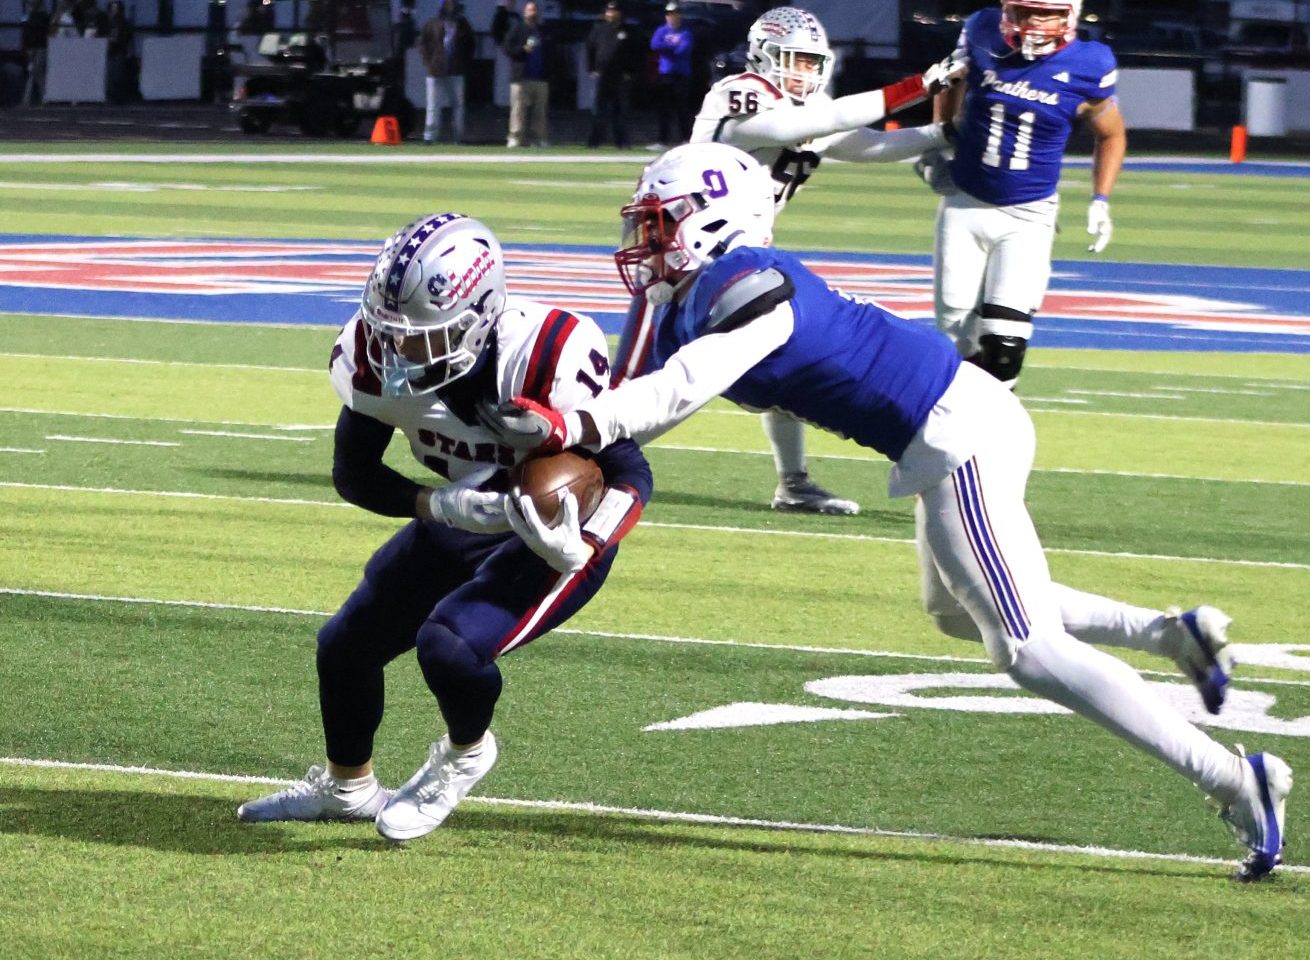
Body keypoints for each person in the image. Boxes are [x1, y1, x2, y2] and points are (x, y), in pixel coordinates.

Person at [483, 143, 1290, 882]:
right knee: (957, 611)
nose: (646, 241)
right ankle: (1169, 635)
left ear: (714, 219)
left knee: (1025, 648)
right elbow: (636, 398)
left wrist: (572, 427)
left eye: (661, 223)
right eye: (645, 224)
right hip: (942, 430)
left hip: (958, 429)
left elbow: (681, 388)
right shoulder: (685, 300)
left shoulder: (748, 278)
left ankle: (1234, 779)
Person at [236, 213, 651, 840]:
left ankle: (465, 755)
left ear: (479, 317)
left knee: (449, 645)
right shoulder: (374, 358)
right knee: (345, 647)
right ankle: (348, 789)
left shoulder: (544, 358)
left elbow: (630, 470)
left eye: (420, 337)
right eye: (387, 331)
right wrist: (438, 505)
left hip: (556, 532)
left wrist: (585, 542)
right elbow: (354, 473)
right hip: (468, 514)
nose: (396, 350)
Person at [613, 7, 966, 516]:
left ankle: (793, 481)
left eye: (809, 62)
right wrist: (919, 86)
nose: (802, 72)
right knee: (634, 380)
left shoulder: (811, 108)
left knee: (781, 356)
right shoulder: (739, 93)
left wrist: (941, 134)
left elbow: (867, 143)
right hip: (685, 253)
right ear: (764, 55)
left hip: (741, 254)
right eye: (792, 59)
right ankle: (579, 459)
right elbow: (803, 124)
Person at [921, 0, 1126, 389]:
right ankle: (963, 417)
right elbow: (950, 81)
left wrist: (1101, 199)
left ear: (1068, 15)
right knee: (955, 339)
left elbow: (1112, 134)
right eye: (1025, 10)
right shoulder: (982, 30)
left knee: (1005, 343)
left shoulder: (1089, 63)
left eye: (1045, 12)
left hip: (1028, 214)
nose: (1033, 21)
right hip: (965, 203)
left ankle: (997, 421)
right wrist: (939, 141)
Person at [419, 0, 475, 144]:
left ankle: (458, 138)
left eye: (453, 4)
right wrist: (428, 62)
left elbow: (471, 44)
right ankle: (430, 137)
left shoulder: (463, 24)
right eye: (448, 4)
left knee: (458, 106)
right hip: (435, 70)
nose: (451, 7)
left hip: (456, 70)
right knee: (433, 105)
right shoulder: (433, 23)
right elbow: (423, 43)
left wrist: (464, 62)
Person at [502, 0, 550, 147]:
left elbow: (550, 50)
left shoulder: (542, 30)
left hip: (540, 77)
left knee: (539, 112)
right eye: (529, 10)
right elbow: (507, 48)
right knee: (518, 110)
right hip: (521, 77)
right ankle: (515, 138)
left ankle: (538, 139)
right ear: (524, 12)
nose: (532, 13)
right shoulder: (517, 28)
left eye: (534, 10)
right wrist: (522, 50)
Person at [585, 1, 633, 149]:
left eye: (613, 11)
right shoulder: (599, 29)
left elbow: (635, 53)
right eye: (608, 11)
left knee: (619, 110)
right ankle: (594, 142)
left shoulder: (627, 30)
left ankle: (621, 142)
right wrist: (591, 69)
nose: (610, 14)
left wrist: (630, 72)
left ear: (619, 13)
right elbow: (590, 48)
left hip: (619, 77)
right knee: (598, 110)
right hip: (602, 75)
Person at [649, 2, 693, 148]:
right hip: (665, 73)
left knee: (682, 108)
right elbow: (654, 45)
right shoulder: (661, 31)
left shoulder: (686, 32)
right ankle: (662, 140)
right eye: (668, 14)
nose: (671, 17)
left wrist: (666, 48)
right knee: (664, 109)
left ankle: (686, 139)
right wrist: (672, 46)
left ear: (679, 15)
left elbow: (683, 50)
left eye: (674, 14)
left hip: (681, 75)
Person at [21, 0, 50, 106]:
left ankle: (44, 97)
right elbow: (26, 32)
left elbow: (45, 32)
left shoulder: (44, 16)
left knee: (37, 71)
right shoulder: (28, 16)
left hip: (41, 47)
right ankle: (29, 99)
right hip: (32, 47)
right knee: (32, 73)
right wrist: (27, 47)